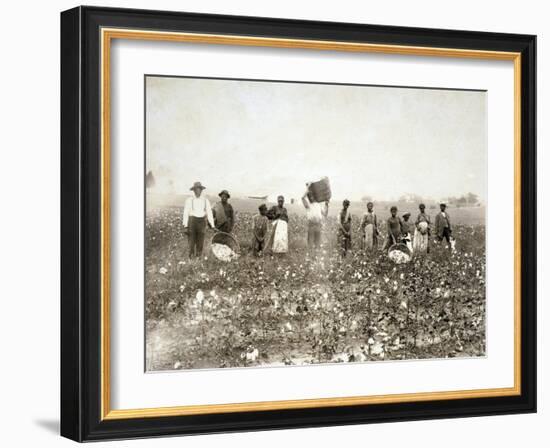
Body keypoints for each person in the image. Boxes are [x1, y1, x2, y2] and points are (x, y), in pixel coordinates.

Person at [182, 181, 215, 258]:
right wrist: (185, 225)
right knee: (191, 241)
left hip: (201, 222)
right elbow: (186, 213)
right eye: (196, 189)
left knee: (200, 241)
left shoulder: (205, 200)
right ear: (193, 190)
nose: (198, 191)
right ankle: (191, 257)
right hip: (192, 221)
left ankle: (198, 257)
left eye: (199, 189)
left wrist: (212, 225)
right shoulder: (189, 200)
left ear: (201, 190)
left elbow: (209, 213)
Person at [301, 186, 329, 251]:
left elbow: (325, 214)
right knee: (310, 244)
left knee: (317, 244)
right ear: (310, 197)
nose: (313, 197)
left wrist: (327, 205)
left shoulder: (319, 205)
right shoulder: (308, 205)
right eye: (311, 196)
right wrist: (308, 189)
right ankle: (310, 258)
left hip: (318, 225)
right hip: (311, 225)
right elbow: (302, 198)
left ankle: (316, 258)